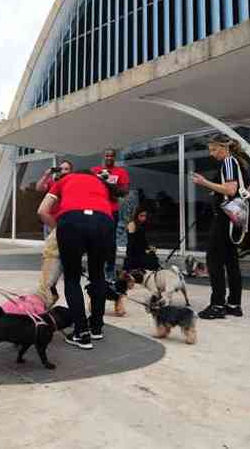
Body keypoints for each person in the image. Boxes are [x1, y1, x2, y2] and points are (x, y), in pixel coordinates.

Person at [38, 171, 115, 350]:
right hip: (104, 221)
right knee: (97, 275)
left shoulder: (64, 180)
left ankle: (81, 332)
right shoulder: (101, 184)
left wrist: (61, 229)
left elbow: (42, 211)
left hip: (71, 220)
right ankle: (96, 327)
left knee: (72, 278)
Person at [191, 134, 250, 319]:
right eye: (210, 150)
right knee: (231, 260)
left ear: (224, 148)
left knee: (214, 259)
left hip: (225, 217)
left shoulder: (228, 162)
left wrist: (205, 183)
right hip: (237, 217)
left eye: (214, 149)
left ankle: (217, 305)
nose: (212, 154)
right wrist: (227, 194)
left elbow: (231, 189)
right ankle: (234, 304)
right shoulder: (241, 164)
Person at [35, 160, 73, 308]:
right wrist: (46, 175)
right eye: (61, 169)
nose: (64, 171)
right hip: (51, 223)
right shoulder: (53, 182)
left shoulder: (71, 183)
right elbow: (39, 188)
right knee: (50, 257)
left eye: (67, 169)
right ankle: (50, 287)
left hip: (64, 224)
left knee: (62, 256)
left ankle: (50, 290)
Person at [90, 148, 130, 284]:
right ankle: (96, 271)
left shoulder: (121, 172)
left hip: (111, 210)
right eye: (106, 155)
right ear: (103, 156)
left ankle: (110, 272)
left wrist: (108, 184)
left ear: (115, 157)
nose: (109, 157)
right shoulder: (95, 170)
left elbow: (124, 192)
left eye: (111, 156)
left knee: (110, 242)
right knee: (95, 240)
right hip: (96, 209)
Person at [123, 204, 159, 271]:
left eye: (145, 216)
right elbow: (131, 244)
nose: (144, 218)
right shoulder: (132, 225)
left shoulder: (141, 225)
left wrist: (149, 248)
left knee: (153, 256)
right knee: (151, 260)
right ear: (137, 215)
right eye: (141, 216)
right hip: (134, 255)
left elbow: (142, 242)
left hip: (141, 253)